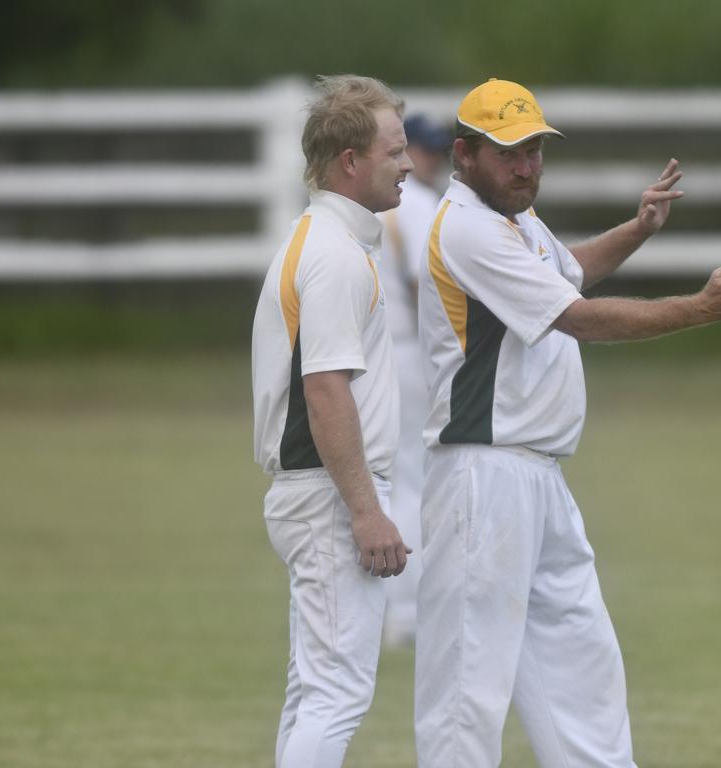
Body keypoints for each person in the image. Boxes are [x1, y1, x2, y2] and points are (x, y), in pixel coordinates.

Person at [413, 78, 721, 768]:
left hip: (539, 477)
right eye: (508, 153)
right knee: (466, 695)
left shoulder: (515, 219)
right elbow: (574, 317)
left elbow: (568, 274)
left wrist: (636, 229)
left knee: (582, 669)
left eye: (533, 151)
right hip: (481, 477)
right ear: (463, 156)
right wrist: (703, 309)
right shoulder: (466, 227)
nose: (526, 167)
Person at [251, 74, 414, 768]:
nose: (408, 164)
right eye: (395, 151)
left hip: (314, 491)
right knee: (336, 695)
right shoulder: (334, 255)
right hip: (326, 495)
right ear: (351, 161)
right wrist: (366, 511)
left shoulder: (322, 239)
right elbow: (325, 391)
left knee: (313, 693)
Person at [376, 114, 452, 648]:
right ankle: (409, 612)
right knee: (415, 479)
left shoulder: (364, 207)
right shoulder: (422, 207)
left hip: (370, 353)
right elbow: (428, 287)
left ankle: (398, 609)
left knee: (394, 475)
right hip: (410, 350)